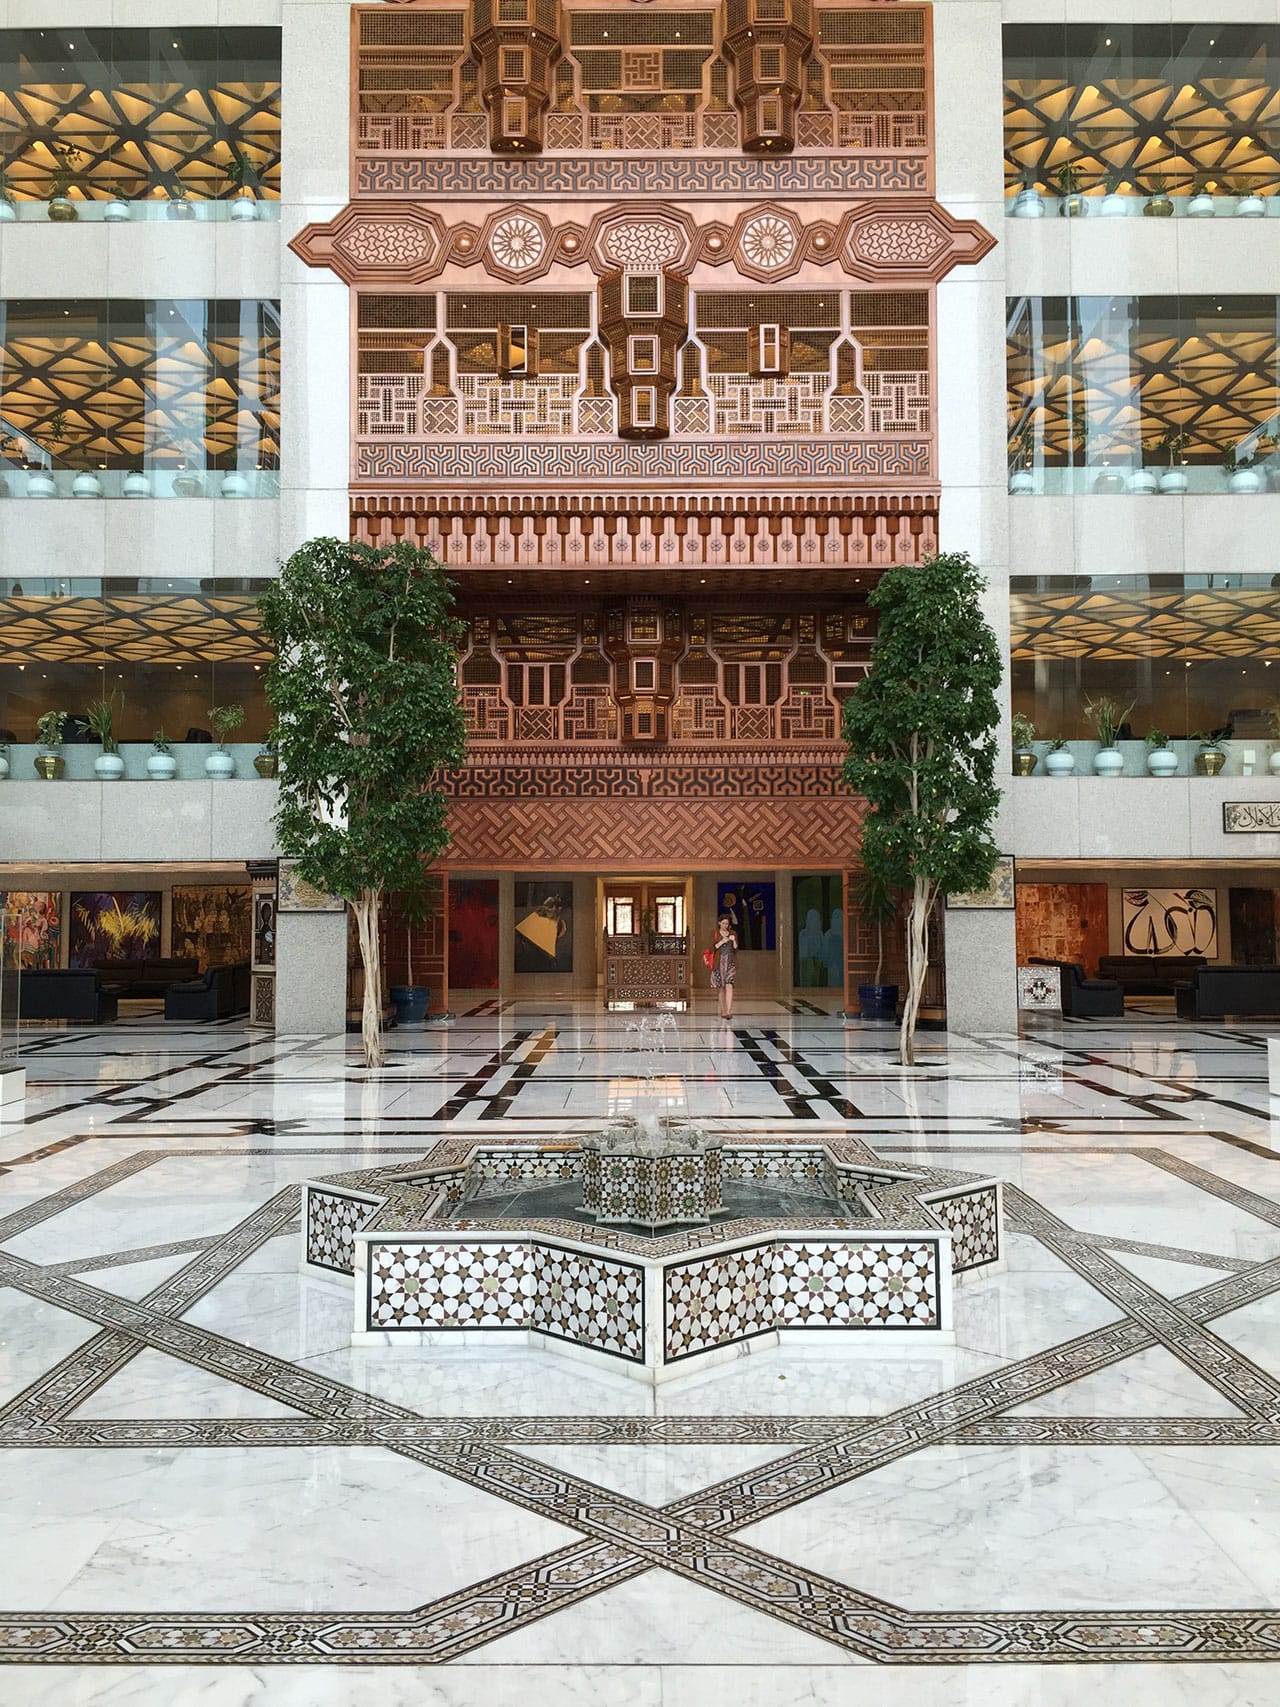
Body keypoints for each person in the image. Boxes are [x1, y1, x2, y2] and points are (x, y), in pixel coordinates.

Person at [710, 913, 737, 1019]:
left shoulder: (733, 933)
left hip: (730, 961)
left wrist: (733, 940)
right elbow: (712, 948)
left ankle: (729, 1011)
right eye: (723, 923)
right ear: (719, 923)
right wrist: (722, 941)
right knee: (721, 987)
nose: (725, 925)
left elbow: (736, 948)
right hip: (718, 962)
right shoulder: (715, 933)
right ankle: (723, 1011)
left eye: (727, 923)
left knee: (729, 985)